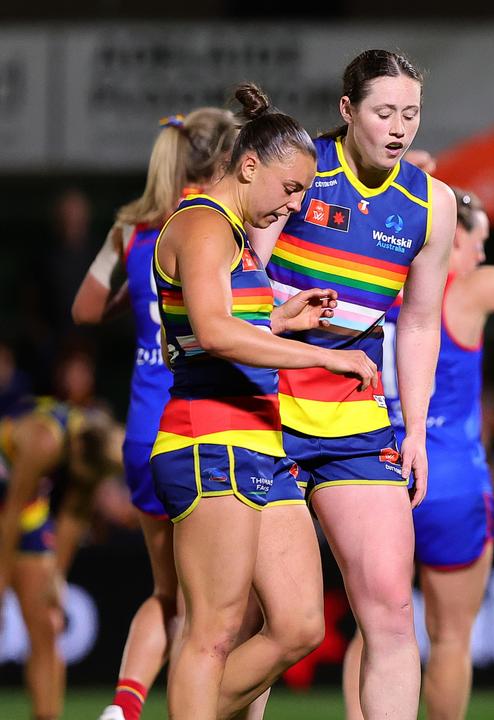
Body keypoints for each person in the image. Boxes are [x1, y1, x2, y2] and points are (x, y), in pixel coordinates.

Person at [149, 83, 376, 720]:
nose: (295, 204)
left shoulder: (235, 237)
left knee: (302, 624)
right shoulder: (201, 224)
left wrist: (282, 320)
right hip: (206, 439)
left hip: (258, 442)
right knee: (214, 632)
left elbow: (221, 326)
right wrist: (328, 355)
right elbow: (216, 334)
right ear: (250, 166)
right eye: (291, 188)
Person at [343, 150, 494, 720]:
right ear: (451, 238)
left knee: (374, 635)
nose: (480, 253)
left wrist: (409, 183)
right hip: (449, 478)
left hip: (379, 469)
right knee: (450, 639)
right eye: (476, 240)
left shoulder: (379, 284)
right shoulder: (464, 292)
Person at [250, 50, 456, 719]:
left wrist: (416, 430)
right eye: (384, 112)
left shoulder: (432, 204)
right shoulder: (302, 171)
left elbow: (421, 323)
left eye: (411, 113)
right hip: (264, 408)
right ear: (347, 110)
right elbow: (243, 274)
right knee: (260, 620)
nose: (400, 127)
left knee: (393, 611)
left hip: (356, 420)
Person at [71, 106, 240, 720]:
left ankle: (123, 707)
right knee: (218, 606)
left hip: (143, 433)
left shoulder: (134, 229)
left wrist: (140, 304)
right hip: (201, 424)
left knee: (167, 593)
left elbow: (85, 310)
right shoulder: (220, 221)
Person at [0, 396, 122, 720]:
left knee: (49, 625)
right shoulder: (45, 440)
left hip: (29, 511)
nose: (81, 481)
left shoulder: (92, 443)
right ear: (79, 452)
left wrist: (57, 575)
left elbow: (73, 514)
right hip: (11, 508)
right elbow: (9, 514)